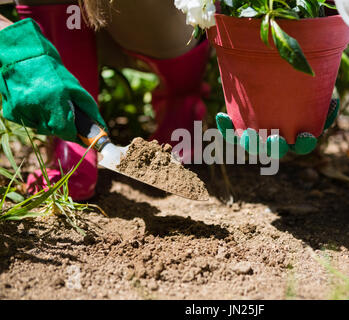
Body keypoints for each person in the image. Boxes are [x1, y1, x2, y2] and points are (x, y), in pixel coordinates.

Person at [0, 0, 210, 200]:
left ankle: (181, 100)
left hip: (139, 22)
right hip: (69, 28)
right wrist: (14, 49)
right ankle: (73, 138)